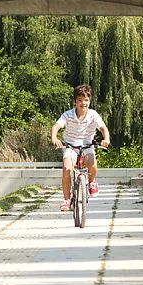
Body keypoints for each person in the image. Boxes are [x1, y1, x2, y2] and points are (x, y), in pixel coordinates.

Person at [51, 84, 110, 212]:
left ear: (89, 101)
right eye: (79, 100)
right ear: (75, 102)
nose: (83, 103)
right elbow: (56, 126)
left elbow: (103, 128)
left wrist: (106, 139)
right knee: (67, 169)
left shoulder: (93, 115)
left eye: (86, 100)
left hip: (87, 145)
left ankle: (92, 181)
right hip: (70, 146)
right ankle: (67, 200)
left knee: (92, 163)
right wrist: (54, 138)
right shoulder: (68, 115)